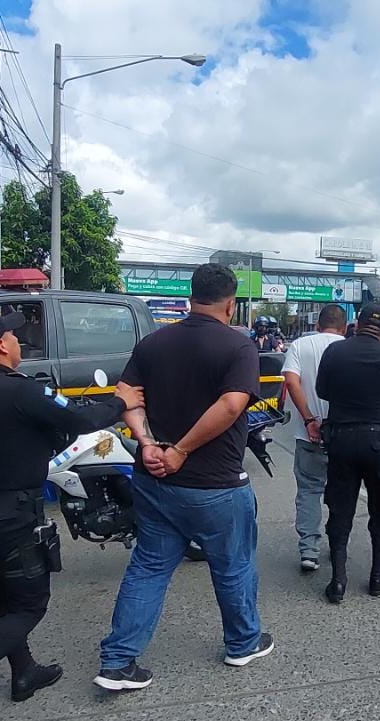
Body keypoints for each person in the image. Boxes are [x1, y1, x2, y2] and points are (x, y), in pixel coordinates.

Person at [0, 309, 144, 721]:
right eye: (13, 335)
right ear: (1, 345)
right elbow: (81, 422)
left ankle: (24, 673)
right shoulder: (21, 391)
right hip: (12, 517)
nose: (19, 341)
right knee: (29, 607)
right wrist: (121, 401)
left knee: (6, 600)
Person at [96, 263, 272, 692]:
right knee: (233, 565)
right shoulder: (238, 346)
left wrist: (148, 443)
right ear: (230, 304)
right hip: (214, 486)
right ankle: (242, 643)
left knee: (149, 567)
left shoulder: (153, 343)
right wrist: (179, 451)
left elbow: (126, 397)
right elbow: (231, 406)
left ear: (191, 297)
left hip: (154, 481)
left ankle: (117, 662)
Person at [314, 301, 380, 603]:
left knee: (341, 510)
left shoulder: (334, 352)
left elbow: (323, 391)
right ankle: (377, 578)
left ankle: (338, 581)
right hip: (379, 441)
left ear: (356, 325)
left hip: (342, 438)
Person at [280, 303, 347, 573]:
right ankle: (337, 544)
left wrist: (309, 419)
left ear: (317, 325)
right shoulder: (348, 348)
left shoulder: (300, 345)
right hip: (343, 434)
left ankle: (309, 550)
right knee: (342, 493)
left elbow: (291, 381)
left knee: (309, 491)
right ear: (344, 328)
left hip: (308, 436)